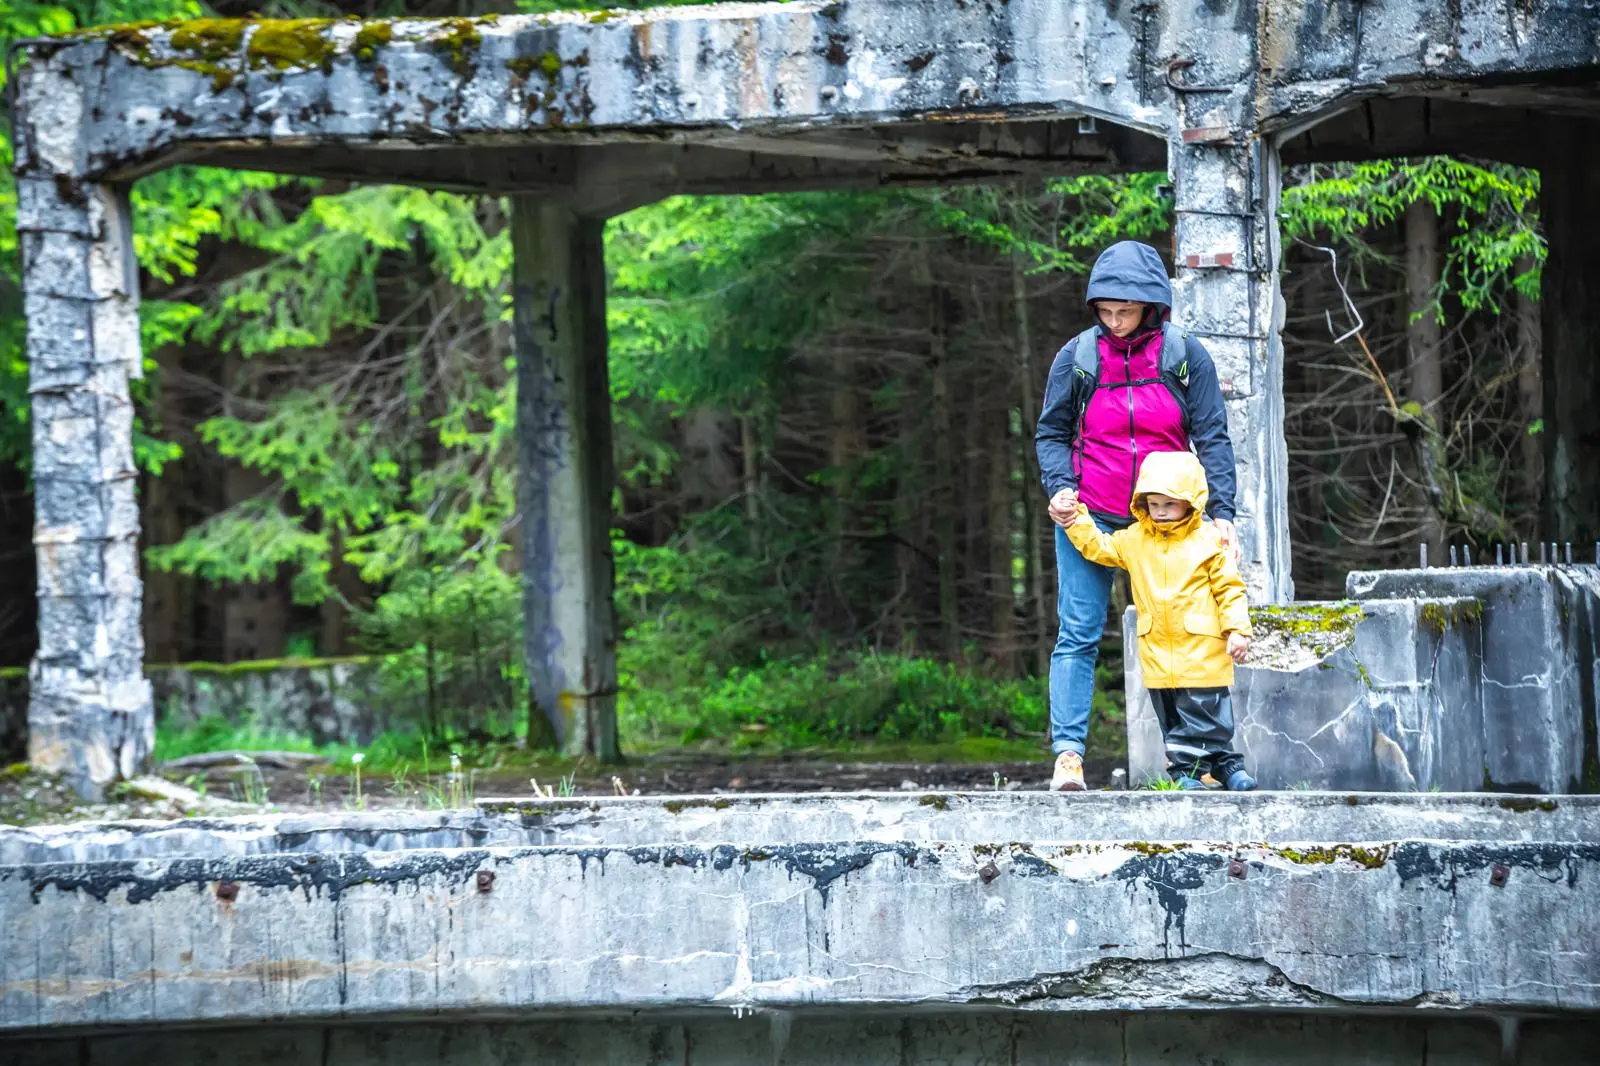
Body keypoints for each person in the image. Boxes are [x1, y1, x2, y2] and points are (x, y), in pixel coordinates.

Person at [1035, 241, 1240, 791]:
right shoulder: (1076, 359)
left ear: (1152, 305)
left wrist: (1222, 513)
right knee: (1077, 632)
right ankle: (1069, 758)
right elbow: (1051, 433)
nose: (1115, 322)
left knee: (1182, 636)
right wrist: (1061, 489)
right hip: (1094, 514)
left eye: (1125, 311)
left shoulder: (1184, 355)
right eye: (1105, 311)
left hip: (1170, 523)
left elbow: (1212, 438)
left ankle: (1198, 763)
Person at [1059, 450, 1255, 790]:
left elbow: (1230, 589)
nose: (1161, 512)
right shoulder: (1135, 539)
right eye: (1154, 505)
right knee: (1176, 718)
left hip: (1202, 649)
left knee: (1206, 714)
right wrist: (1077, 520)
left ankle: (1187, 774)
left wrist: (1238, 630)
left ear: (1190, 502)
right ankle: (1226, 766)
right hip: (1159, 655)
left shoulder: (1210, 540)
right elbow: (1100, 547)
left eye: (1170, 504)